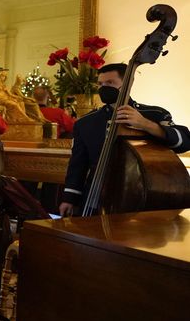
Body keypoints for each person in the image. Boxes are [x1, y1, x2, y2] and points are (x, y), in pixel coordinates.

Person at [59, 63, 190, 217]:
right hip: (95, 195)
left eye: (110, 83)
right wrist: (70, 198)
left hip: (141, 196)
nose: (103, 88)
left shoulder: (155, 114)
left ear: (128, 83)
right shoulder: (85, 123)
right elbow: (78, 164)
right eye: (100, 84)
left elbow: (184, 143)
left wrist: (145, 124)